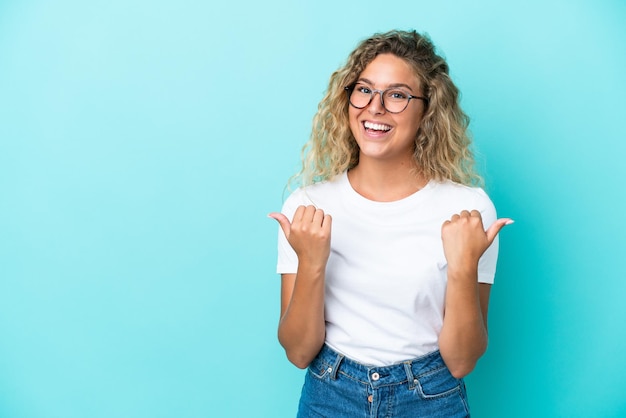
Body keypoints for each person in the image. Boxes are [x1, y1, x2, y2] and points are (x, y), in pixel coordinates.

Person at [269, 29, 512, 417]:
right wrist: (312, 263)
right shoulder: (308, 206)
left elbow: (462, 362)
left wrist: (464, 268)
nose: (375, 107)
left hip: (432, 398)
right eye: (364, 90)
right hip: (330, 395)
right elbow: (299, 352)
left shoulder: (468, 209)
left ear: (427, 110)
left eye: (397, 95)